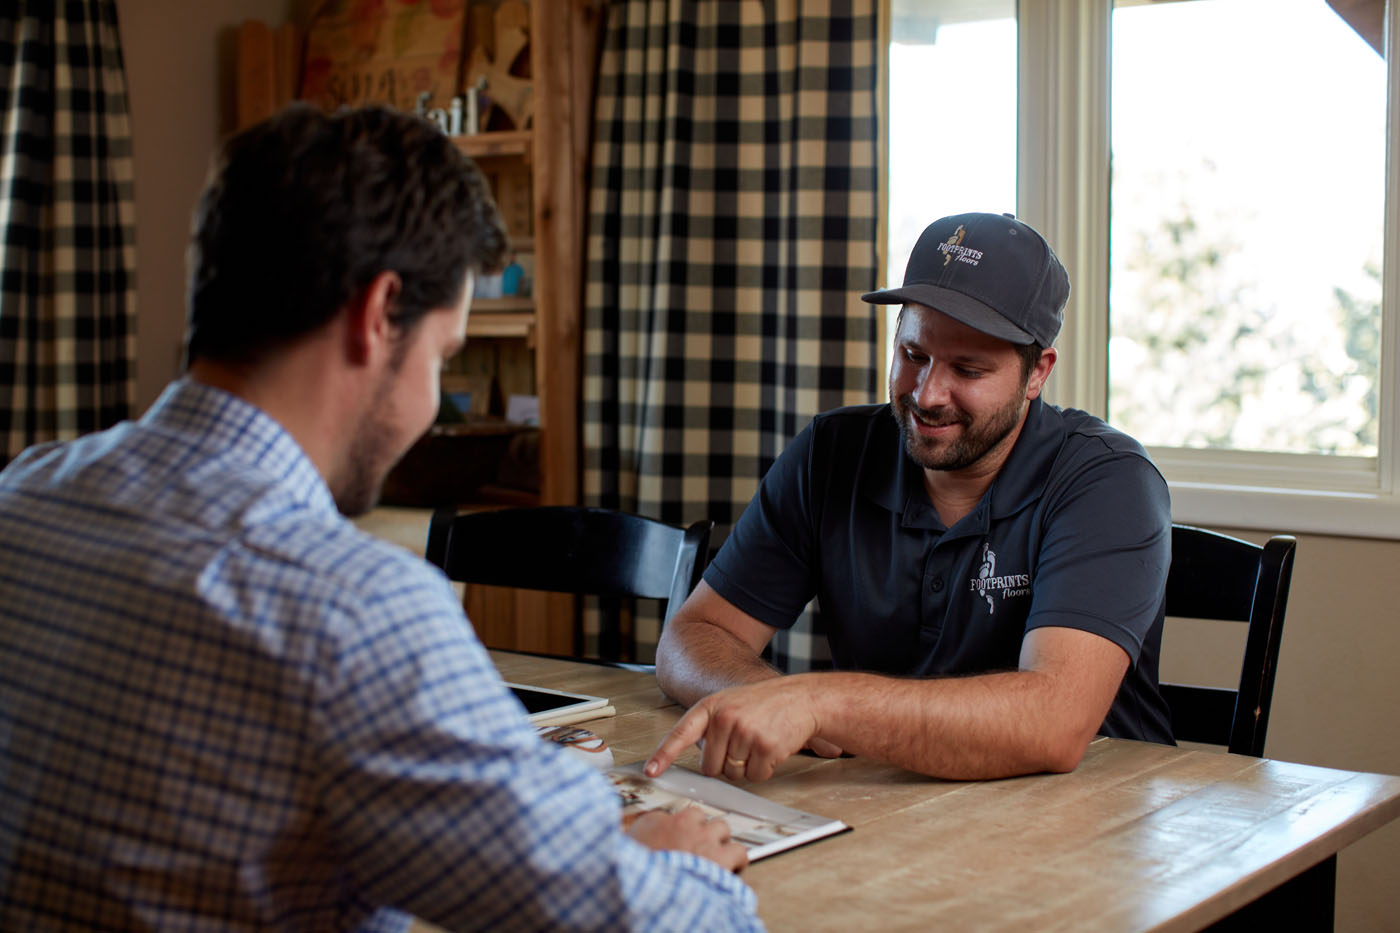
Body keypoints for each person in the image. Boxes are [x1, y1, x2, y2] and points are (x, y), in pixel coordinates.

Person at [0, 104, 760, 931]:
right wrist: (686, 865)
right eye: (442, 356)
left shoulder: (24, 495)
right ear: (376, 315)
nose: (432, 402)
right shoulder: (353, 606)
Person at [647, 212, 1174, 785]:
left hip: (1087, 822)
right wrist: (767, 699)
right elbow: (693, 636)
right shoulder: (832, 452)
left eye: (968, 370)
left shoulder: (1109, 481)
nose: (927, 395)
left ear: (1036, 373)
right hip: (886, 805)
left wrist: (820, 703)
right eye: (913, 355)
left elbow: (1054, 721)